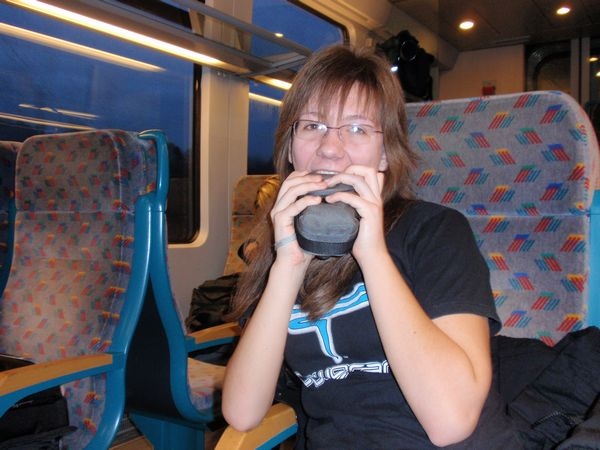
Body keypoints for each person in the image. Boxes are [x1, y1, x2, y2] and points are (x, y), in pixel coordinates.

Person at [222, 44, 522, 449]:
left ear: (384, 155)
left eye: (357, 129)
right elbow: (242, 412)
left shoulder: (434, 232)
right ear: (291, 148)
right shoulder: (280, 250)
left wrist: (373, 254)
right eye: (312, 125)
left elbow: (451, 421)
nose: (329, 148)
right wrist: (287, 265)